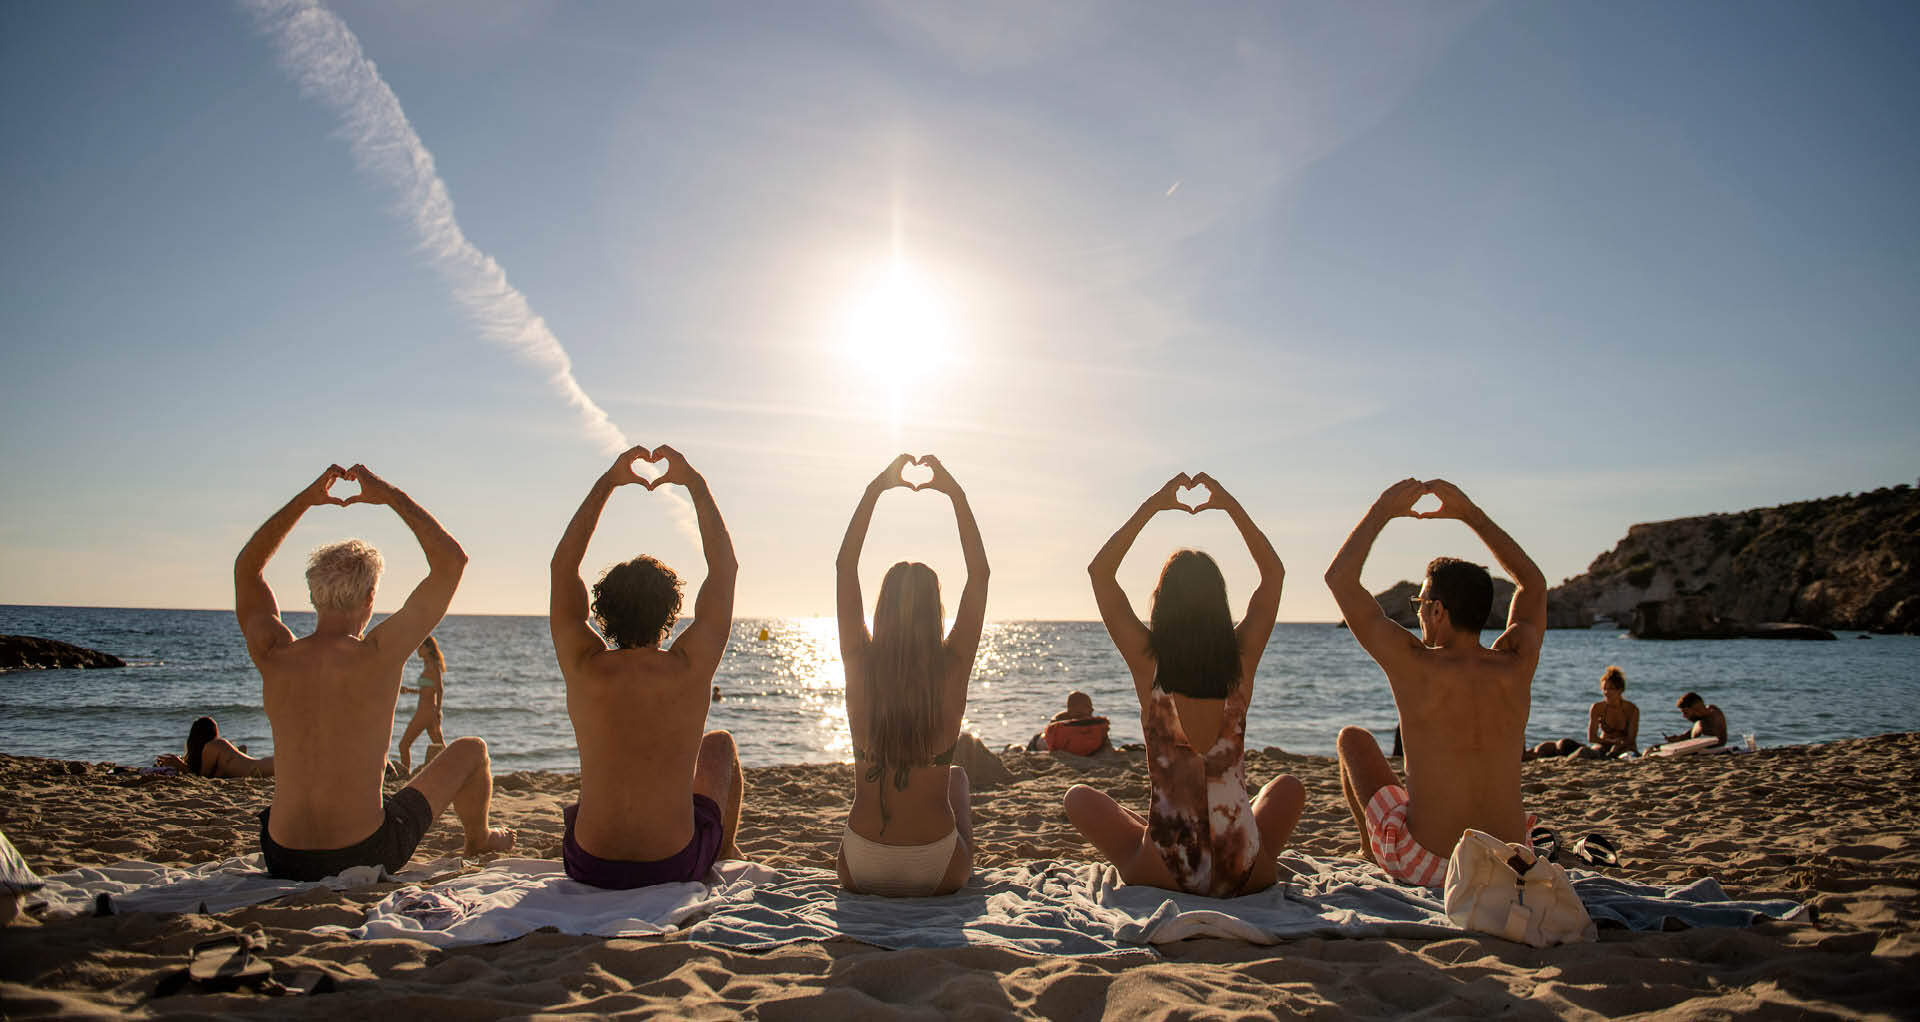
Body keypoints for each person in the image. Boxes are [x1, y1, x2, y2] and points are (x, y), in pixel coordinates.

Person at [238, 465, 512, 882]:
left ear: (314, 594)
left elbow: (248, 568)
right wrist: (389, 495)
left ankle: (480, 838)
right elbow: (451, 563)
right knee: (472, 751)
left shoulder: (274, 653)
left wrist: (305, 501)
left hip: (281, 855)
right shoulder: (380, 653)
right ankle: (479, 839)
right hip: (362, 852)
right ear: (370, 597)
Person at [1064, 472, 1306, 898]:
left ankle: (1153, 833)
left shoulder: (1148, 664)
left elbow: (1100, 573)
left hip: (1165, 867)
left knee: (1078, 798)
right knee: (1288, 788)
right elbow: (1273, 575)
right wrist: (1229, 504)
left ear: (1162, 601)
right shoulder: (1241, 662)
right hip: (1244, 870)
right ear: (1220, 603)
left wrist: (1153, 506)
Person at [1326, 478, 1542, 887]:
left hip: (1432, 865)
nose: (1419, 613)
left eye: (1421, 604)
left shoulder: (1414, 664)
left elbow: (1340, 579)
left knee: (1351, 739)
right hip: (1513, 864)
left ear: (1438, 611)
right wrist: (1470, 515)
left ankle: (1370, 850)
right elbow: (1532, 584)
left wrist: (1383, 509)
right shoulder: (1516, 663)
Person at [551, 445, 743, 889]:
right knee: (719, 746)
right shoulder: (689, 665)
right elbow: (724, 569)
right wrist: (695, 483)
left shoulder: (583, 664)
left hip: (589, 864)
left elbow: (563, 566)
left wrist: (607, 484)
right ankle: (725, 850)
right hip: (672, 863)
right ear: (670, 614)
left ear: (602, 614)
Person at [836, 454, 989, 897]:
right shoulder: (951, 665)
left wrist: (876, 490)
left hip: (860, 863)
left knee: (952, 777)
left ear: (881, 611)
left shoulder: (859, 661)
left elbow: (845, 568)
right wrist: (955, 495)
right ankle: (958, 860)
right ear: (933, 613)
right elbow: (979, 575)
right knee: (956, 777)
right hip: (936, 866)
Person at [154, 716, 274, 778]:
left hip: (260, 768)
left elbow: (203, 777)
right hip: (262, 766)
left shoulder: (212, 745)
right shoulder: (218, 746)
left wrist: (180, 764)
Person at [396, 636, 448, 775]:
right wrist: (410, 690)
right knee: (440, 748)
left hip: (426, 713)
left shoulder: (433, 665)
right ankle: (455, 772)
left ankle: (405, 776)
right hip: (428, 712)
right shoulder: (428, 664)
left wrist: (438, 711)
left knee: (403, 745)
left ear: (428, 648)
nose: (417, 650)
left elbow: (439, 689)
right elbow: (427, 690)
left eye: (420, 647)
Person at [1027, 691, 1112, 755]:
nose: (1092, 709)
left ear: (1069, 710)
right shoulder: (1096, 726)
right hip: (1086, 749)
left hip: (1062, 746)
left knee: (1036, 738)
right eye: (1089, 706)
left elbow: (1050, 732)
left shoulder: (1060, 725)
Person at [1588, 666, 1640, 757]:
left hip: (1625, 747)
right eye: (1604, 689)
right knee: (1586, 752)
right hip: (1604, 744)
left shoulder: (1631, 709)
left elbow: (1631, 738)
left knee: (1626, 754)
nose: (1607, 692)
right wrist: (1610, 742)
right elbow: (1591, 738)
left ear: (1620, 690)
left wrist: (1618, 744)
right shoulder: (1597, 708)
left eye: (1611, 688)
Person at [1661, 692, 1727, 748]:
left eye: (1685, 712)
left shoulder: (1710, 723)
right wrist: (1679, 738)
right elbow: (1695, 730)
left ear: (1696, 709)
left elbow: (1713, 743)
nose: (1684, 716)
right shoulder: (1710, 709)